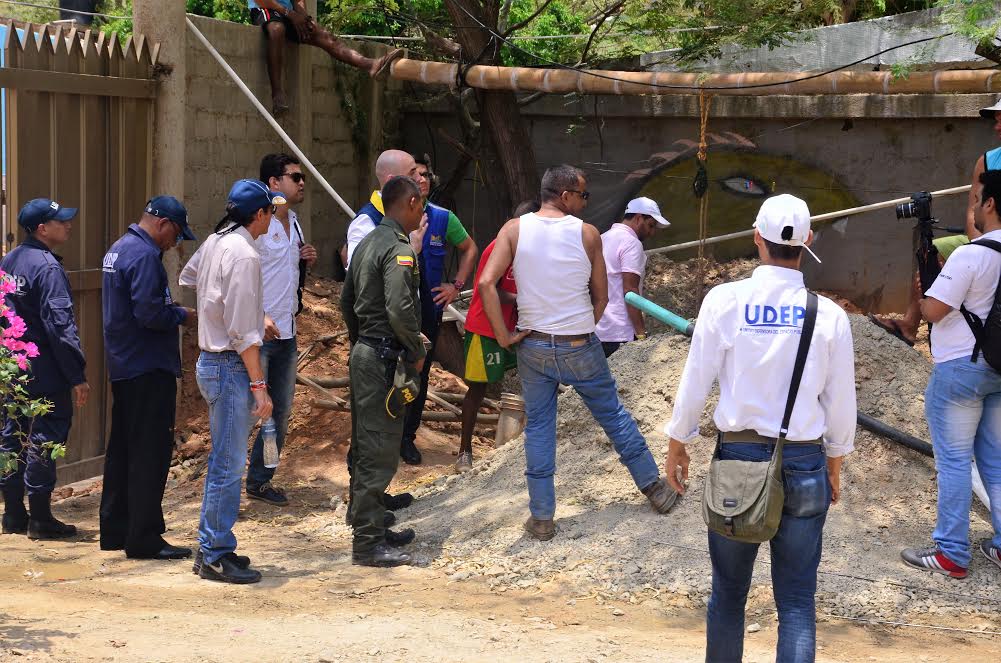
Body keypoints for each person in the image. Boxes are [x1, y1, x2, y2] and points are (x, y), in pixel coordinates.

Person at [664, 193, 856, 663]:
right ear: (807, 241)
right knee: (795, 603)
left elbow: (696, 378)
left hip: (738, 464)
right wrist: (834, 462)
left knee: (728, 597)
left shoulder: (726, 301)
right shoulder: (828, 315)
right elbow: (840, 402)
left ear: (757, 237)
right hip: (806, 462)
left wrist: (678, 443)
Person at [478, 165, 679, 542]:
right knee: (614, 416)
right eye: (583, 196)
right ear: (565, 195)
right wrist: (584, 325)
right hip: (578, 344)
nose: (586, 203)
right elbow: (602, 296)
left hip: (533, 344)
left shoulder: (513, 230)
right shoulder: (587, 235)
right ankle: (656, 490)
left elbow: (487, 283)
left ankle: (541, 518)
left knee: (539, 427)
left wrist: (505, 336)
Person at [901, 169, 1001, 579]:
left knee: (955, 461)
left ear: (991, 204)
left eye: (977, 198)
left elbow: (933, 312)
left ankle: (951, 553)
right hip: (998, 369)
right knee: (995, 462)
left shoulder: (971, 254)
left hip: (960, 369)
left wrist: (929, 279)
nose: (973, 207)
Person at [180, 179, 279, 584]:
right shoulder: (244, 254)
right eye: (271, 210)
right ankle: (214, 552)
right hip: (230, 365)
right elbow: (240, 332)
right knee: (227, 462)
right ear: (259, 214)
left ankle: (216, 545)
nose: (273, 217)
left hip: (212, 360)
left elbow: (190, 277)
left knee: (225, 459)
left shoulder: (217, 240)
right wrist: (259, 384)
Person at [98, 196, 198, 560]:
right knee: (149, 454)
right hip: (147, 366)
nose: (176, 243)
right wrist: (182, 315)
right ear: (163, 223)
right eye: (176, 234)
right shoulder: (143, 257)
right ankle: (144, 538)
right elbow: (149, 313)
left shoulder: (119, 249)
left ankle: (115, 528)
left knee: (123, 449)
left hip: (125, 364)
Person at [340, 175, 427, 567]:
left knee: (365, 444)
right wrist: (412, 347)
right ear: (409, 202)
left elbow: (347, 302)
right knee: (379, 450)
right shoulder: (396, 248)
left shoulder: (367, 242)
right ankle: (367, 543)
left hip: (366, 354)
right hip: (382, 360)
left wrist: (364, 341)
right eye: (421, 204)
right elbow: (398, 307)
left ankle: (369, 521)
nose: (423, 212)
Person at [869, 97, 1001, 346]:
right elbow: (973, 211)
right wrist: (980, 246)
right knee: (933, 251)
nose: (997, 126)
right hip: (984, 238)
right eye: (996, 120)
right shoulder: (987, 160)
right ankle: (909, 324)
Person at [0, 199, 88, 540]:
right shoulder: (47, 268)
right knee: (46, 437)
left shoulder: (10, 260)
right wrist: (77, 376)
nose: (67, 225)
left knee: (13, 434)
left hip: (14, 366)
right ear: (42, 229)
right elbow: (60, 325)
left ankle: (13, 515)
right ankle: (40, 518)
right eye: (61, 221)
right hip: (46, 368)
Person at [244, 153, 318, 507]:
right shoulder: (258, 223)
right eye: (294, 177)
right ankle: (226, 484)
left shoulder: (296, 223)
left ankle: (260, 479)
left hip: (287, 334)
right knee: (245, 415)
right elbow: (239, 276)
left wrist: (304, 257)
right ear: (274, 183)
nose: (301, 183)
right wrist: (257, 315)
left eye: (302, 178)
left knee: (280, 413)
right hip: (257, 338)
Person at [399, 154, 479, 466]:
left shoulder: (443, 218)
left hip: (427, 311)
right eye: (414, 174)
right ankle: (384, 436)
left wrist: (456, 285)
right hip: (394, 308)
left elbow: (470, 248)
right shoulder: (389, 215)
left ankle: (407, 436)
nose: (421, 179)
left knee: (419, 372)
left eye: (425, 175)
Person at [457, 199, 538, 472]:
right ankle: (464, 452)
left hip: (516, 326)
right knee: (478, 389)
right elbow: (486, 288)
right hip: (486, 328)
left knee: (532, 381)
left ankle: (518, 445)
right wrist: (520, 296)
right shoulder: (498, 247)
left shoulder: (530, 250)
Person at [248, 1, 402, 116]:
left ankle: (371, 65)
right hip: (265, 9)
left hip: (290, 13)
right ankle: (277, 95)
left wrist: (303, 17)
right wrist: (290, 14)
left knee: (325, 36)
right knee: (277, 30)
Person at [595, 197, 671, 357]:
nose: (652, 232)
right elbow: (630, 292)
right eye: (650, 225)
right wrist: (641, 333)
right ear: (638, 218)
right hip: (621, 331)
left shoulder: (603, 238)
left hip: (600, 329)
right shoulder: (631, 243)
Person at [345, 149, 424, 267]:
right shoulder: (367, 221)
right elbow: (360, 273)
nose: (420, 179)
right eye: (412, 173)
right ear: (392, 181)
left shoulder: (408, 214)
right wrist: (411, 250)